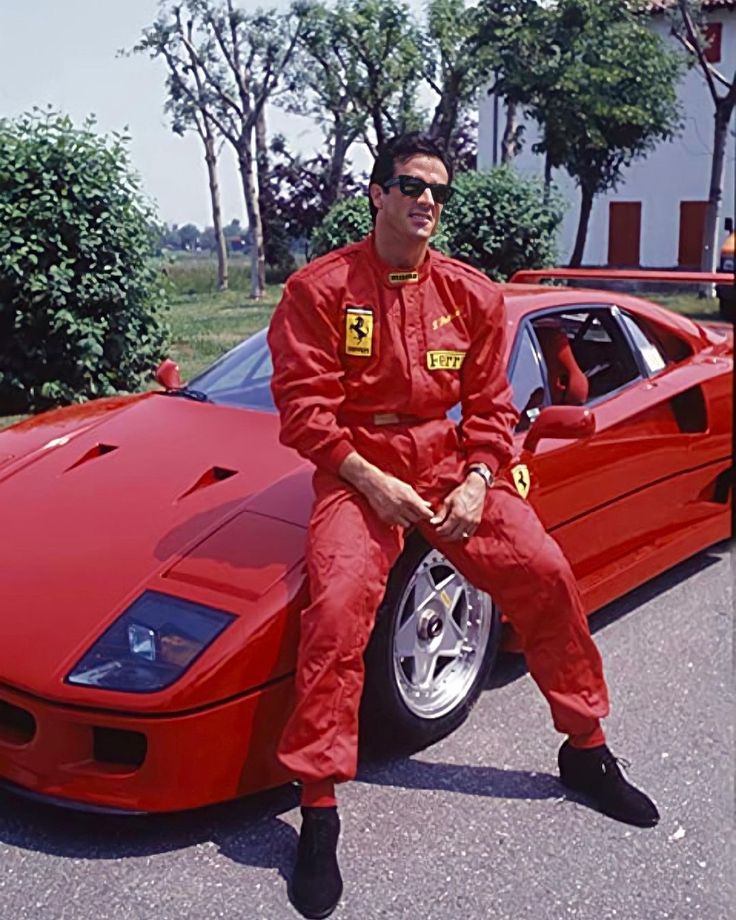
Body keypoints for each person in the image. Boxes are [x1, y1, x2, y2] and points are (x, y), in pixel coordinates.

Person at [267, 133, 659, 920]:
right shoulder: (319, 290)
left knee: (545, 571)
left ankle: (585, 750)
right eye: (411, 185)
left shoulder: (472, 295)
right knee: (339, 606)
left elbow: (488, 409)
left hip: (449, 465)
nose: (426, 202)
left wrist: (480, 480)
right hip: (359, 466)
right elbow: (305, 414)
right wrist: (371, 483)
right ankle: (317, 807)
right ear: (376, 194)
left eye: (439, 191)